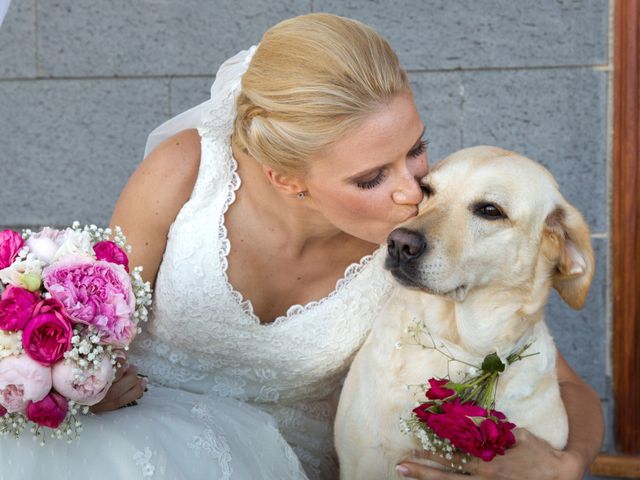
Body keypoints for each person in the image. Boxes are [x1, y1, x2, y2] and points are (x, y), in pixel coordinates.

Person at [3, 13, 602, 480]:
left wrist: (568, 463)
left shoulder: (421, 249)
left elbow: (560, 379)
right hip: (136, 438)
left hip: (284, 464)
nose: (411, 192)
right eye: (371, 179)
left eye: (417, 149)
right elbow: (89, 324)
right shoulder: (187, 172)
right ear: (286, 178)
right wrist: (76, 384)